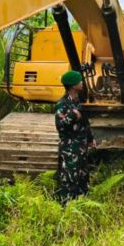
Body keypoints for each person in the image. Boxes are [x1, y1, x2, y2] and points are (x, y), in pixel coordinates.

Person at [55, 69, 96, 204]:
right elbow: (60, 126)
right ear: (73, 86)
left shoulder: (78, 102)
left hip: (81, 148)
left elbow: (85, 123)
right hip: (70, 149)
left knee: (83, 178)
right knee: (69, 179)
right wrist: (72, 116)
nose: (82, 83)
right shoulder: (62, 104)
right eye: (79, 81)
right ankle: (66, 208)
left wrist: (90, 139)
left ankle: (81, 205)